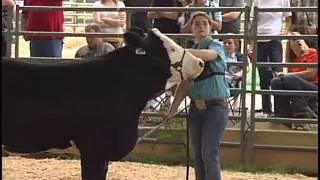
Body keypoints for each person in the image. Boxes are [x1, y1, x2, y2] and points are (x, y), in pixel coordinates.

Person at [164, 12, 230, 180]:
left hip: (215, 107)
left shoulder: (215, 45)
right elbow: (184, 85)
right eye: (197, 24)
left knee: (209, 152)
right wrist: (171, 111)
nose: (201, 26)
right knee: (198, 155)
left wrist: (183, 52)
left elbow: (211, 56)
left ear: (210, 27)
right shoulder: (190, 54)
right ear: (191, 28)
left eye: (204, 23)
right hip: (196, 108)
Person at [250, 0, 292, 116]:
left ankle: (281, 109)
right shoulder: (257, 1)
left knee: (278, 74)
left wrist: (285, 31)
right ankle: (266, 109)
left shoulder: (283, 0)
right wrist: (251, 42)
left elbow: (288, 18)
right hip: (259, 40)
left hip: (275, 40)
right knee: (263, 76)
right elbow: (253, 21)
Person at [271, 32, 318, 123]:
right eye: (294, 40)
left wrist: (288, 75)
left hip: (314, 86)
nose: (297, 41)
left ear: (304, 41)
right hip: (299, 85)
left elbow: (311, 73)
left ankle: (301, 112)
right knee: (276, 81)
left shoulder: (312, 52)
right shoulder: (293, 61)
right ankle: (282, 114)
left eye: (299, 38)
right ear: (291, 47)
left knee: (290, 78)